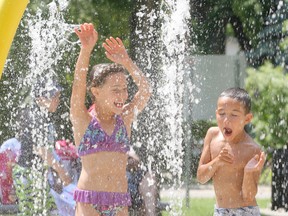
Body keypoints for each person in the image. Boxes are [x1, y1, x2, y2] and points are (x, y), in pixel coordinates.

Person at [70, 23, 151, 216]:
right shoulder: (84, 121)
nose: (122, 96)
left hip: (119, 200)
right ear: (96, 92)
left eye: (124, 89)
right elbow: (78, 86)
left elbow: (146, 91)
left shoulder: (125, 119)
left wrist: (127, 62)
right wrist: (86, 50)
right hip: (90, 201)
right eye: (115, 90)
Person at [197, 87, 266, 216]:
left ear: (247, 119)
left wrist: (249, 172)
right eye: (221, 113)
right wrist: (217, 161)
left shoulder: (252, 149)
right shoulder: (212, 135)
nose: (226, 120)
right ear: (216, 113)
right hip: (220, 211)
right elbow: (201, 178)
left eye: (234, 115)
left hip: (246, 212)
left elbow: (249, 196)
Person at [13, 79, 62, 215]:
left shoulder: (44, 117)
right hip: (27, 173)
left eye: (58, 96)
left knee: (50, 210)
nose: (57, 100)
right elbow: (42, 151)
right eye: (54, 96)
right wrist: (62, 174)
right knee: (31, 211)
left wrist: (54, 173)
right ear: (40, 98)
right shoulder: (35, 117)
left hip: (38, 173)